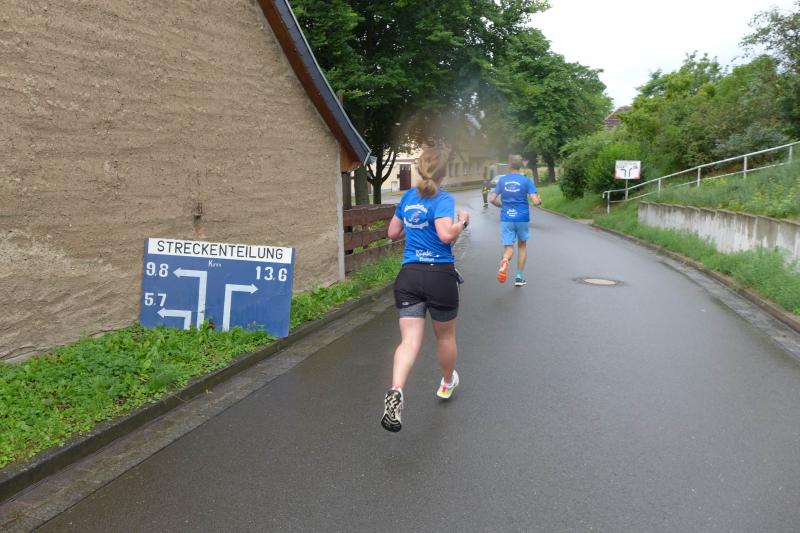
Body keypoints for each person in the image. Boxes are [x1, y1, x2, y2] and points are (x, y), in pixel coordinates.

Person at [381, 144, 470, 433]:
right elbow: (445, 235)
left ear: (420, 169)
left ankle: (396, 390)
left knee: (408, 341)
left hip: (409, 277)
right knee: (445, 337)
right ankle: (447, 381)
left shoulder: (408, 197)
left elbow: (392, 232)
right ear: (444, 173)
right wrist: (462, 222)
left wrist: (414, 229)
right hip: (439, 277)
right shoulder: (443, 199)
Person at [488, 154, 541, 287]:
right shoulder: (526, 180)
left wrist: (502, 206)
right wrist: (538, 201)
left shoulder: (502, 180)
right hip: (522, 218)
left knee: (508, 248)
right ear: (520, 165)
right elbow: (535, 201)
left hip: (507, 218)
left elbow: (492, 199)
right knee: (522, 246)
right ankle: (519, 277)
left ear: (509, 165)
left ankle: (505, 260)